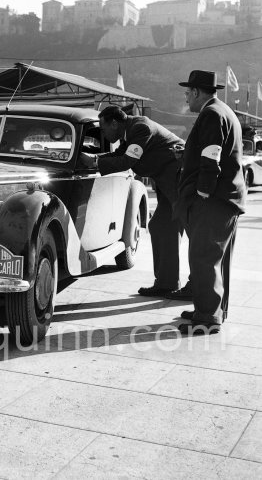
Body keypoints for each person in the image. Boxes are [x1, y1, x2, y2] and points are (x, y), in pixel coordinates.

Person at [80, 105, 190, 297]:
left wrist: (95, 163)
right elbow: (119, 154)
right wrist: (95, 158)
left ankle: (198, 286)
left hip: (178, 179)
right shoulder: (130, 131)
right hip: (167, 181)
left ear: (114, 123)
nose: (103, 133)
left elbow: (126, 162)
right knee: (161, 227)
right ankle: (166, 283)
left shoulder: (140, 128)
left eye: (104, 128)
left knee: (194, 232)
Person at [175, 70, 246, 335]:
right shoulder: (223, 110)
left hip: (213, 200)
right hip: (226, 198)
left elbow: (211, 155)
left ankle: (206, 319)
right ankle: (213, 311)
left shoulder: (212, 114)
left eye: (187, 93)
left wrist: (203, 192)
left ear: (196, 92)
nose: (186, 98)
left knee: (203, 259)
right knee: (217, 259)